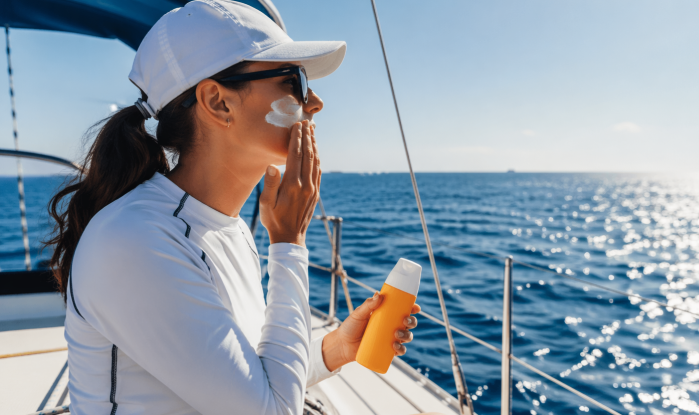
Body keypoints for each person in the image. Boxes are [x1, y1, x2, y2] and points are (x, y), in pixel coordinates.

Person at [45, 1, 431, 414]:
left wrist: (335, 349)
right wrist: (288, 243)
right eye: (294, 81)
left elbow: (253, 382)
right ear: (217, 102)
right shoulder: (134, 240)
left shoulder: (227, 229)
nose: (314, 103)